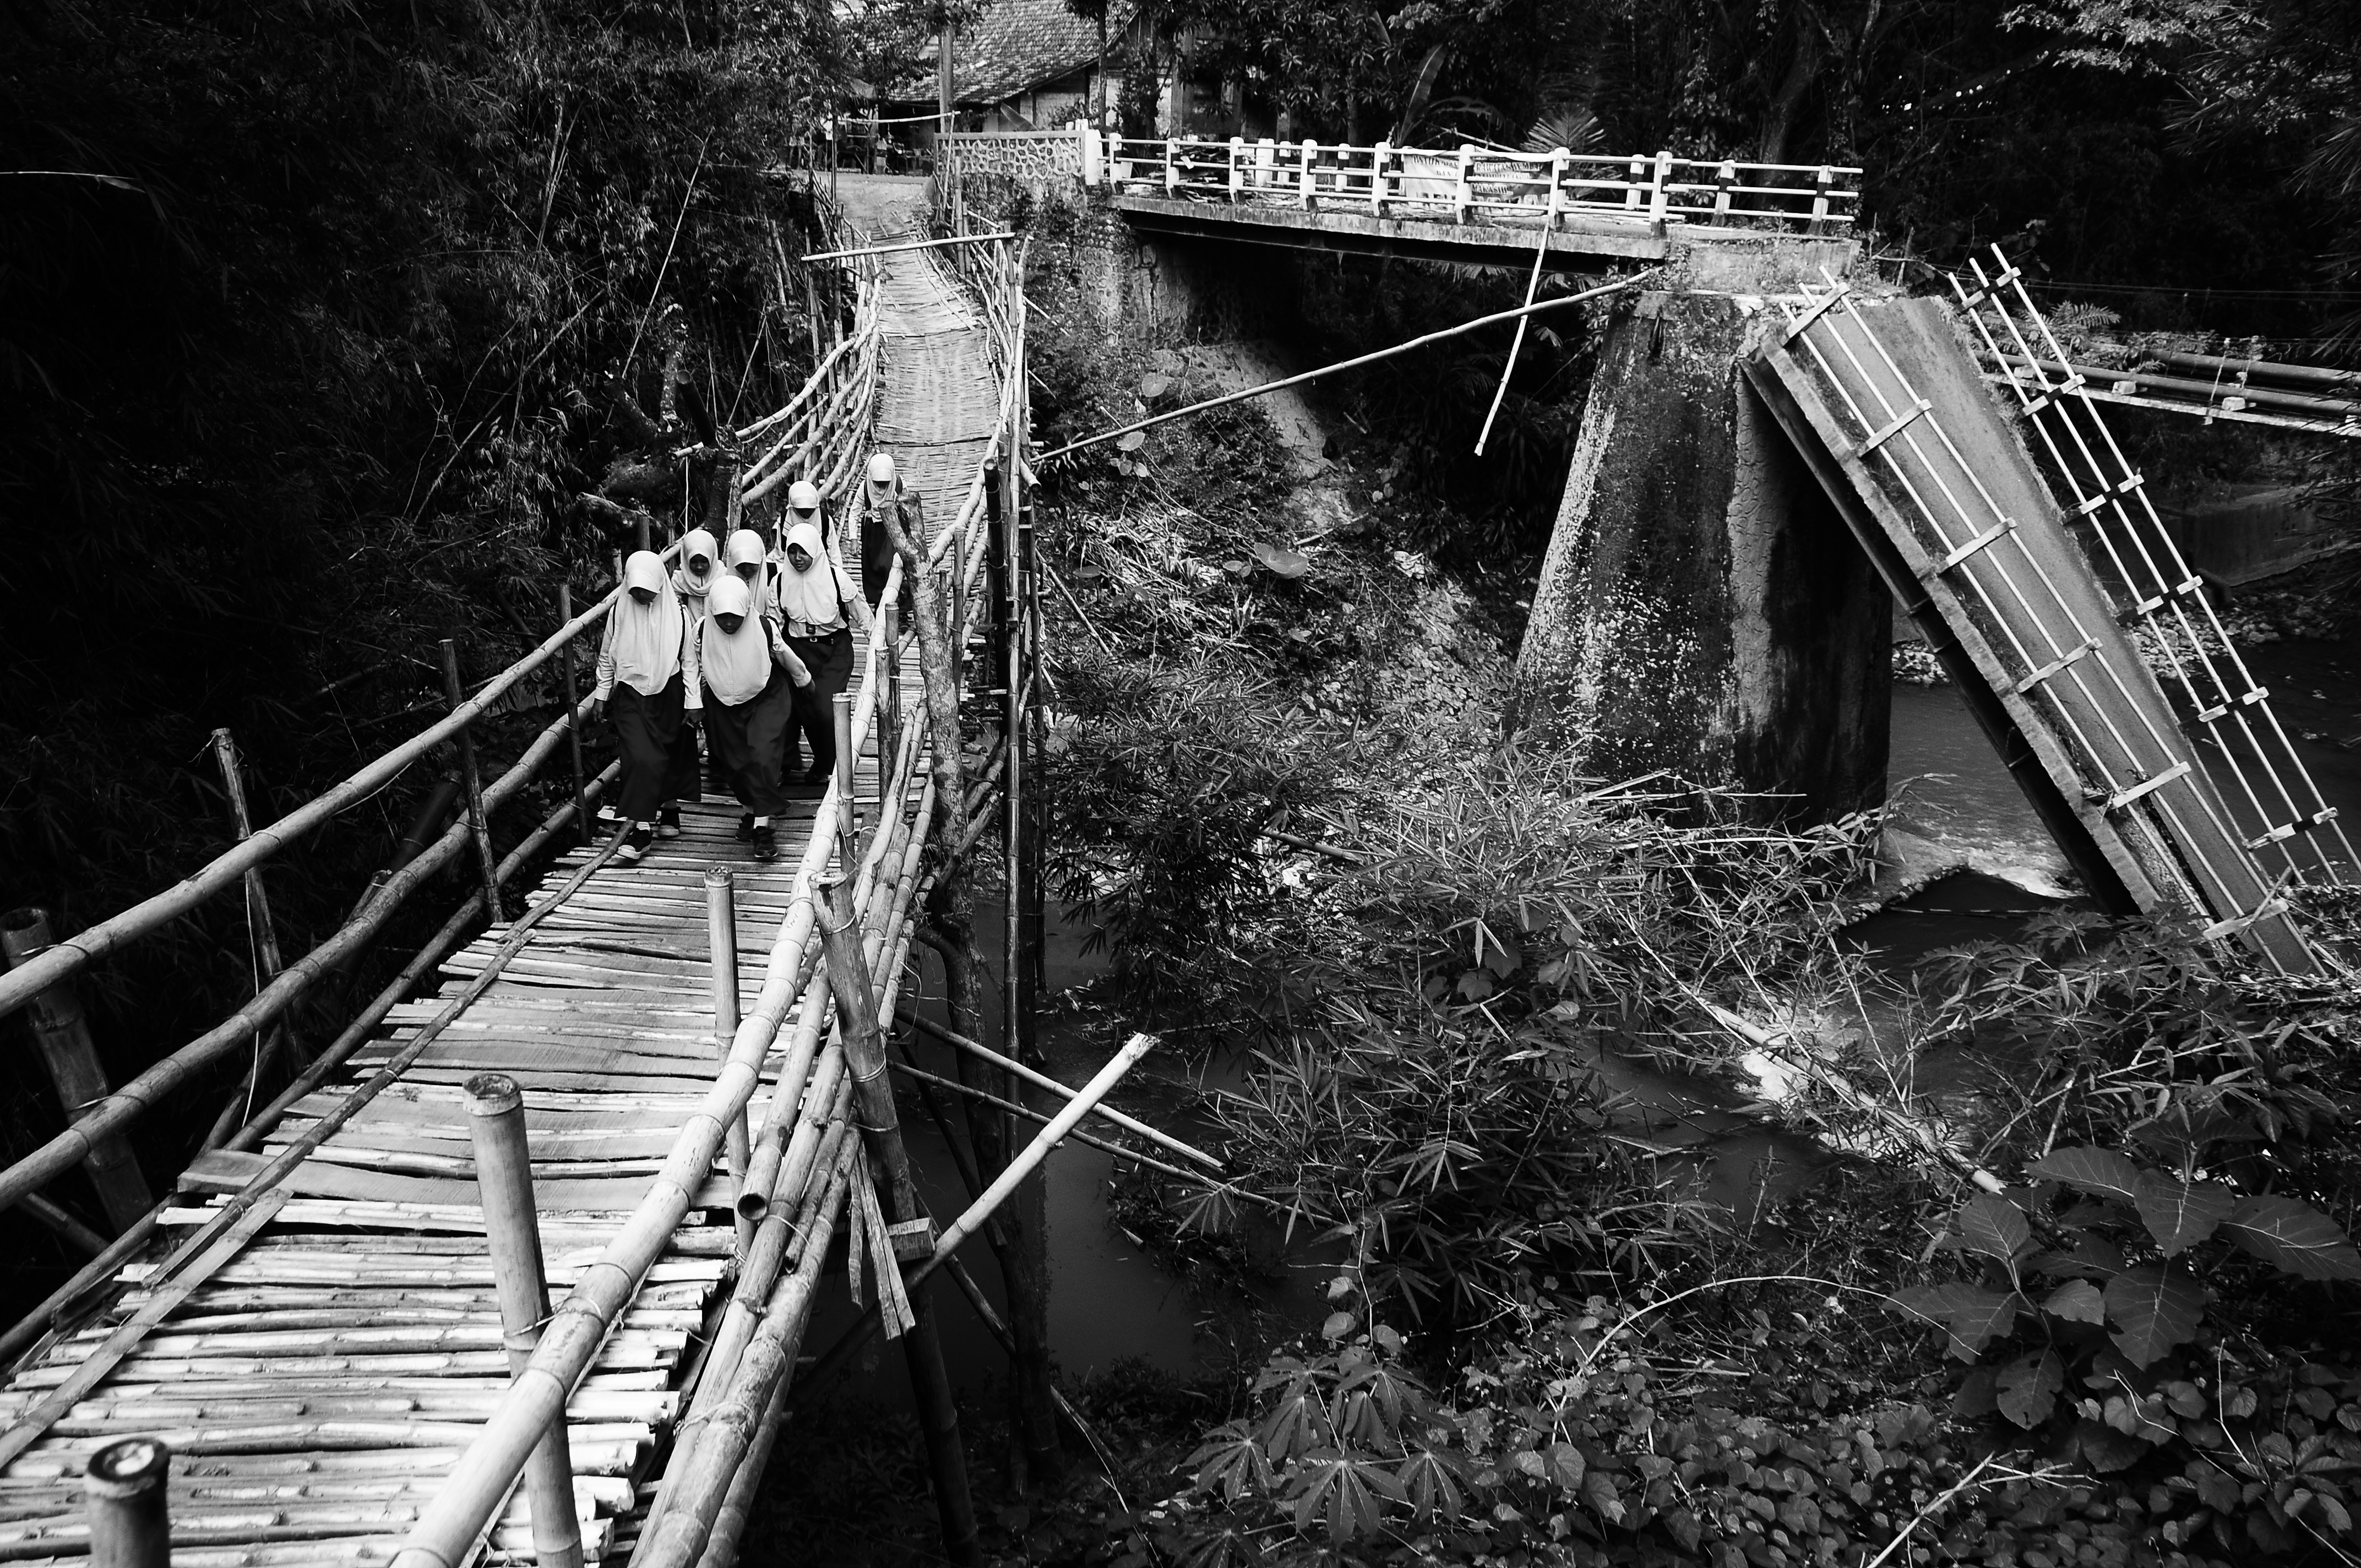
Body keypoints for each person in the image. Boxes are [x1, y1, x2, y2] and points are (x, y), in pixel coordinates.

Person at [687, 575, 810, 862]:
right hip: (721, 705)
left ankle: (762, 827)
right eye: (723, 617)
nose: (729, 623)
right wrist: (693, 702)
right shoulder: (701, 630)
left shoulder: (764, 627)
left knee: (763, 754)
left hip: (765, 698)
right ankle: (752, 809)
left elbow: (783, 654)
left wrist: (803, 678)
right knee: (735, 763)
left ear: (746, 609)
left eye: (735, 617)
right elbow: (691, 665)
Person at [590, 551, 696, 862]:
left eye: (646, 589)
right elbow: (607, 653)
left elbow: (689, 660)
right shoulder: (619, 612)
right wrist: (601, 692)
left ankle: (671, 808)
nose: (640, 595)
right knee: (640, 757)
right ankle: (643, 828)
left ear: (660, 585)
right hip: (630, 695)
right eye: (634, 589)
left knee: (669, 752)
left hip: (669, 691)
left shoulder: (677, 614)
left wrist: (693, 701)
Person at [774, 519, 871, 791]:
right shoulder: (780, 582)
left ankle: (831, 763)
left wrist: (879, 647)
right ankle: (820, 760)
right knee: (802, 710)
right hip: (797, 652)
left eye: (803, 552)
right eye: (792, 552)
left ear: (815, 550)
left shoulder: (837, 578)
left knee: (825, 709)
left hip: (833, 651)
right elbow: (772, 623)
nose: (797, 558)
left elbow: (861, 613)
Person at [853, 452, 923, 612]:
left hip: (893, 531)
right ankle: (880, 603)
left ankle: (900, 607)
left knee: (893, 565)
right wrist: (854, 539)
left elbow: (907, 506)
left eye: (886, 483)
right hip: (872, 532)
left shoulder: (899, 485)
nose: (882, 487)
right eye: (878, 483)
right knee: (873, 569)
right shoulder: (865, 488)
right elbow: (854, 512)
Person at [672, 528, 721, 612]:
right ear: (686, 560)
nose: (699, 567)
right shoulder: (679, 580)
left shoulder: (722, 577)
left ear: (712, 558)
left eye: (704, 561)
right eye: (693, 562)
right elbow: (674, 608)